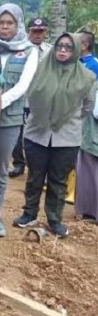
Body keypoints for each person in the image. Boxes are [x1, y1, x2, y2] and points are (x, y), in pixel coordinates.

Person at [12, 33, 95, 238]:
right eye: (59, 46)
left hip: (66, 137)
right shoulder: (41, 70)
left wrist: (64, 117)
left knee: (58, 180)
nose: (63, 50)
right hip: (36, 133)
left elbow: (88, 107)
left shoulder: (87, 77)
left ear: (76, 50)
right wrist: (43, 117)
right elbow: (30, 97)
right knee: (35, 177)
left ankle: (54, 219)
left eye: (68, 47)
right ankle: (29, 213)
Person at [0, 3, 39, 238]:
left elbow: (23, 87)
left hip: (8, 121)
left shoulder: (28, 51)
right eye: (1, 23)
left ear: (18, 25)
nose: (5, 27)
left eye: (10, 23)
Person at [9, 17, 53, 178]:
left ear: (45, 32)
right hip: (21, 97)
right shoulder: (19, 49)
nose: (38, 34)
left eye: (41, 31)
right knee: (17, 133)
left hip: (42, 100)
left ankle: (37, 167)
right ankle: (19, 164)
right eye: (35, 31)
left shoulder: (51, 51)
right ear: (29, 31)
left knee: (39, 133)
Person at [75, 85, 98, 223]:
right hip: (92, 139)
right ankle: (89, 213)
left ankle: (90, 212)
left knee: (90, 176)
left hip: (92, 140)